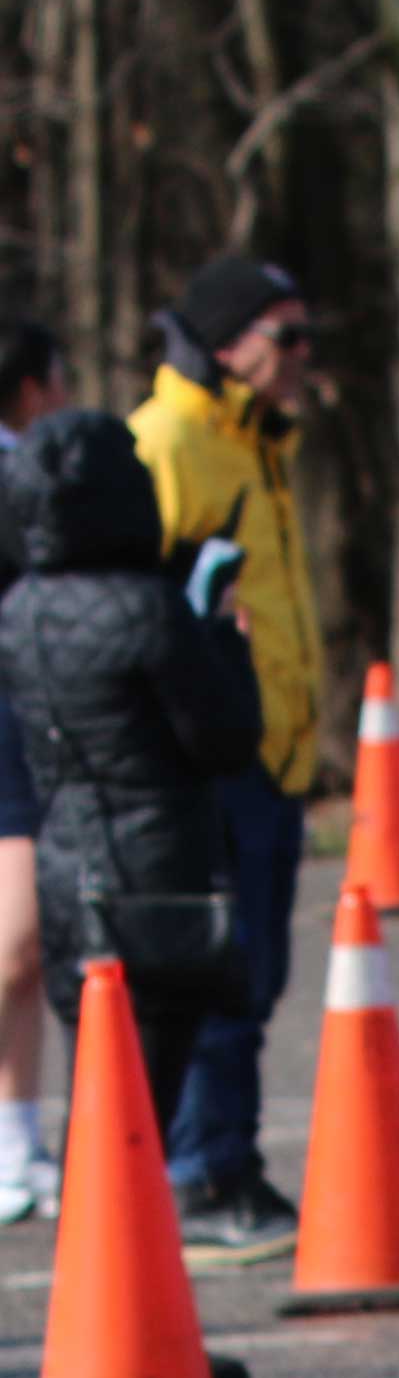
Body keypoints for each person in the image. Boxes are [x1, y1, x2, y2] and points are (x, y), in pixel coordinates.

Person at [0, 411, 265, 1142]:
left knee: (98, 1084)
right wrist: (223, 639)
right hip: (158, 874)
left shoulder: (18, 613)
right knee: (143, 1108)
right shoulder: (150, 610)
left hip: (66, 868)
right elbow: (226, 740)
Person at [131, 254, 320, 1253]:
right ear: (225, 344)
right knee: (216, 971)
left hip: (271, 753)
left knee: (257, 972)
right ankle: (203, 1172)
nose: (302, 356)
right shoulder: (167, 441)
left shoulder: (259, 441)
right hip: (209, 759)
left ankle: (227, 1162)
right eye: (285, 337)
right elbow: (136, 602)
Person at [0, 316, 70, 1220]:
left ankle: (17, 1141)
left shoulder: (31, 474)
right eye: (59, 379)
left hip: (21, 718)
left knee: (24, 950)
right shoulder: (22, 481)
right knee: (16, 939)